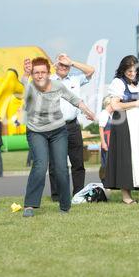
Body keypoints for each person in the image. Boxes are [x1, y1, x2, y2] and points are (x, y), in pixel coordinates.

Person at [22, 57, 95, 217]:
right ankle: (30, 205)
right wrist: (25, 75)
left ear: (49, 73)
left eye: (43, 72)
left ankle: (64, 205)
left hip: (58, 131)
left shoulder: (57, 85)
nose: (40, 76)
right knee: (40, 165)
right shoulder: (30, 86)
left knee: (61, 168)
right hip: (36, 131)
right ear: (33, 74)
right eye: (36, 73)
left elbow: (74, 99)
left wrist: (87, 111)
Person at [104, 55, 139, 204]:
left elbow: (134, 102)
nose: (132, 73)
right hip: (124, 124)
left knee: (135, 157)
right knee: (125, 158)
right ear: (123, 70)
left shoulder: (135, 84)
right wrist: (136, 103)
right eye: (129, 70)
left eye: (134, 70)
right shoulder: (118, 83)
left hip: (136, 124)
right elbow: (115, 105)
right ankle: (126, 196)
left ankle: (131, 191)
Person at [49, 53, 95, 199]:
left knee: (77, 162)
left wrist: (72, 62)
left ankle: (78, 194)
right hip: (54, 126)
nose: (64, 67)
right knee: (56, 163)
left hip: (72, 126)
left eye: (66, 65)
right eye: (61, 64)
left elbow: (91, 71)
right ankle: (57, 195)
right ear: (56, 65)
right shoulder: (48, 80)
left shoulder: (75, 79)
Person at [98, 96, 114, 182]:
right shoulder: (104, 114)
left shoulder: (109, 115)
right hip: (106, 139)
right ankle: (105, 180)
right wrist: (103, 142)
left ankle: (109, 180)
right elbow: (101, 129)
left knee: (109, 161)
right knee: (106, 161)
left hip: (110, 139)